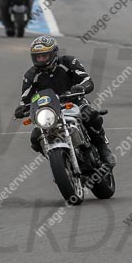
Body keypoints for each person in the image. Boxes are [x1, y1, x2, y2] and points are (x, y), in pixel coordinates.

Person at [14, 36, 116, 166]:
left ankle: (102, 148)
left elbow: (87, 80)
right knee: (35, 138)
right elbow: (25, 98)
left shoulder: (68, 62)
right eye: (37, 57)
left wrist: (80, 88)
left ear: (54, 53)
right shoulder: (31, 75)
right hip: (49, 110)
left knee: (90, 115)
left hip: (75, 102)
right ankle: (59, 161)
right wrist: (22, 108)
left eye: (44, 56)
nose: (41, 59)